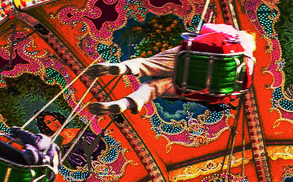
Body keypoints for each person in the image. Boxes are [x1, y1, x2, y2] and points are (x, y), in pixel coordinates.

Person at [84, 24, 257, 116]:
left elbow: (206, 28)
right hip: (194, 85)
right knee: (153, 88)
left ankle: (121, 67)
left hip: (190, 59)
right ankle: (123, 104)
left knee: (148, 64)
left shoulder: (234, 35)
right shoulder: (249, 62)